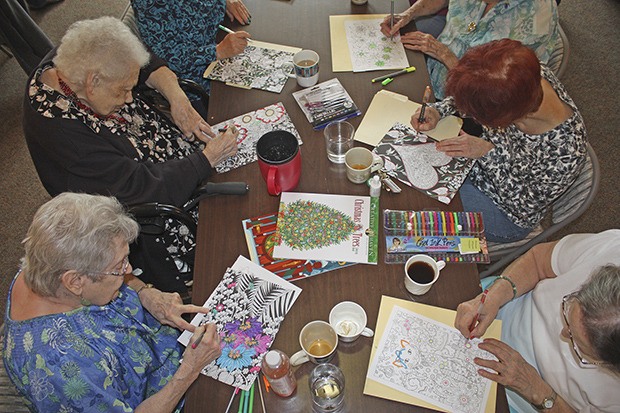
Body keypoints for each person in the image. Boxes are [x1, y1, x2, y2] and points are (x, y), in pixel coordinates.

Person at [23, 16, 239, 294]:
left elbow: (143, 59)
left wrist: (177, 97)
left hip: (180, 161)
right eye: (123, 90)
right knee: (241, 227)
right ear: (93, 82)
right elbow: (140, 189)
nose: (129, 98)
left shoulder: (75, 57)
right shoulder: (64, 136)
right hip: (158, 215)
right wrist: (205, 160)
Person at [3, 192, 222, 412]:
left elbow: (119, 275)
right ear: (75, 281)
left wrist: (144, 292)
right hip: (172, 392)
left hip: (172, 346)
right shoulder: (63, 367)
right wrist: (190, 370)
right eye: (119, 266)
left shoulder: (46, 262)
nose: (128, 270)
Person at [411, 39, 587, 243]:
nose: (469, 114)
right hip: (476, 164)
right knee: (413, 171)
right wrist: (438, 110)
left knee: (421, 201)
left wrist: (488, 153)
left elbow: (522, 207)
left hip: (505, 211)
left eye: (475, 114)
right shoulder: (525, 78)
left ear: (505, 117)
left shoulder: (567, 151)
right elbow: (482, 92)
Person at [454, 230, 620, 412]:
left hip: (530, 402)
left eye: (578, 345)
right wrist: (494, 297)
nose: (562, 333)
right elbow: (538, 260)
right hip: (504, 308)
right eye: (568, 307)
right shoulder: (612, 248)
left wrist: (536, 390)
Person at [381, 0, 560, 99]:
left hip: (471, 104)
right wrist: (408, 15)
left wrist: (445, 55)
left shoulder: (535, 17)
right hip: (431, 75)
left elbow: (498, 93)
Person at [132, 0, 252, 96]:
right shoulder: (149, 3)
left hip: (221, 35)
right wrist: (217, 51)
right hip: (198, 75)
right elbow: (167, 58)